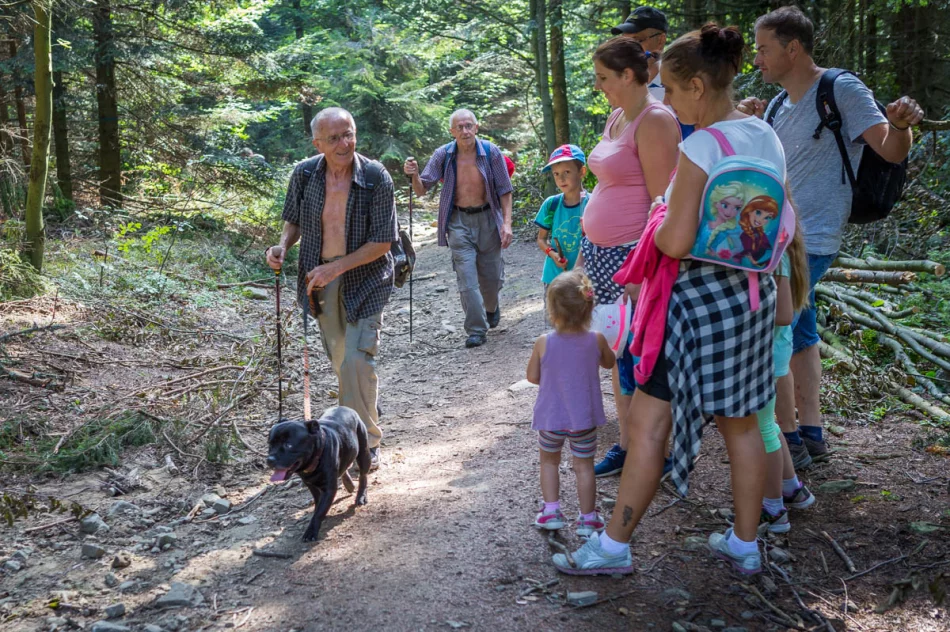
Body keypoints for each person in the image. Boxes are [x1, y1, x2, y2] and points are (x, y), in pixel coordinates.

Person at [555, 24, 783, 577]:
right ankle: (746, 543)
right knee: (743, 424)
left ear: (699, 87)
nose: (671, 102)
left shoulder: (702, 145)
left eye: (676, 92)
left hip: (694, 302)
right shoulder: (764, 133)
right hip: (753, 298)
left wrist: (655, 221)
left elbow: (677, 240)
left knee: (649, 427)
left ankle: (612, 547)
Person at [738, 6, 924, 467]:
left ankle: (787, 440)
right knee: (800, 332)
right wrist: (748, 121)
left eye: (763, 49)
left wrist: (900, 125)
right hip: (780, 238)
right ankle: (812, 431)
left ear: (792, 48)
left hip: (813, 239)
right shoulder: (780, 103)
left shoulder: (839, 88)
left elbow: (890, 148)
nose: (757, 60)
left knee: (772, 329)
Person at [266, 107, 398, 470]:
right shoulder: (305, 174)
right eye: (335, 137)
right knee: (342, 363)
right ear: (318, 143)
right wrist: (282, 247)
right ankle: (364, 403)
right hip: (318, 282)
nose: (345, 143)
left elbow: (384, 241)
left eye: (349, 134)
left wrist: (336, 267)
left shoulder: (375, 177)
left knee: (357, 359)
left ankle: (366, 445)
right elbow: (292, 220)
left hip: (367, 278)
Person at [582, 36, 681, 478]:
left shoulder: (656, 121)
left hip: (632, 260)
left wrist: (644, 270)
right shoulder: (619, 114)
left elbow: (662, 205)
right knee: (617, 347)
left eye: (604, 77)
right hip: (602, 255)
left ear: (628, 75)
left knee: (640, 356)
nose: (599, 86)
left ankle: (652, 450)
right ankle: (627, 444)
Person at [403, 110, 514, 349]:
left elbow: (505, 189)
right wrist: (413, 175)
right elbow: (422, 189)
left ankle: (491, 307)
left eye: (468, 126)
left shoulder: (491, 152)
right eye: (459, 127)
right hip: (458, 222)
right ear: (452, 131)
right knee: (467, 278)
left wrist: (506, 223)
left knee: (492, 277)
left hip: (487, 219)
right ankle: (476, 329)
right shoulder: (443, 155)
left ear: (476, 127)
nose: (465, 131)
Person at [526, 271, 616, 536]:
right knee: (584, 465)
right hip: (583, 419)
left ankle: (551, 511)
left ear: (551, 308)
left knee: (549, 462)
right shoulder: (596, 339)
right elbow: (609, 362)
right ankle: (588, 519)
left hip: (551, 418)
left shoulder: (544, 342)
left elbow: (532, 377)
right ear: (589, 307)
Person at [756, 221, 816, 534]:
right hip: (774, 350)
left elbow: (783, 314)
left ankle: (773, 508)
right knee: (769, 424)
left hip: (765, 352)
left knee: (761, 428)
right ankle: (792, 488)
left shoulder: (774, 252)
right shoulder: (782, 241)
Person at [612, 6, 695, 138]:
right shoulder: (623, 85)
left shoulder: (681, 83)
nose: (628, 49)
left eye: (637, 40)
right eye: (625, 42)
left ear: (661, 40)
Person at [534, 144, 589, 323]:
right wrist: (553, 254)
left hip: (585, 276)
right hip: (554, 275)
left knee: (583, 320)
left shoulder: (593, 203)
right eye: (556, 174)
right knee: (556, 322)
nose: (561, 178)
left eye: (567, 172)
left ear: (582, 171)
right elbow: (541, 239)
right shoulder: (551, 204)